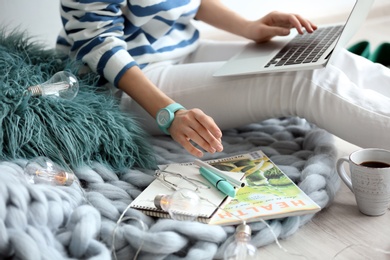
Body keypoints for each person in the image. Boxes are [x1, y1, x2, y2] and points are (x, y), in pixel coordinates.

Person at [57, 0, 390, 158]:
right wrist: (170, 112)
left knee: (318, 53)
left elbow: (191, 2)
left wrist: (250, 27)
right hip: (125, 83)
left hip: (184, 49)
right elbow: (98, 44)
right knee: (299, 81)